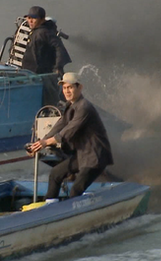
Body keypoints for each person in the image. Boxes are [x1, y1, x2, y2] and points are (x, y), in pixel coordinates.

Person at [28, 72, 114, 202]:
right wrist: (40, 142)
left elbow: (68, 131)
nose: (67, 91)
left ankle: (71, 215)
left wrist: (47, 143)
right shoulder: (70, 105)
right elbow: (60, 125)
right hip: (82, 155)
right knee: (55, 174)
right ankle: (49, 206)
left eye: (70, 87)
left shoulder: (85, 107)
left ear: (79, 88)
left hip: (95, 156)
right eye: (64, 88)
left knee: (75, 190)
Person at [21, 6, 72, 106]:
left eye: (33, 18)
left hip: (43, 73)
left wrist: (58, 67)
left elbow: (59, 47)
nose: (30, 21)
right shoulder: (37, 31)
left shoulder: (44, 32)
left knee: (51, 98)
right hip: (31, 72)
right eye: (28, 18)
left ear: (42, 19)